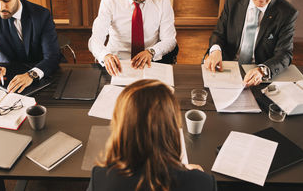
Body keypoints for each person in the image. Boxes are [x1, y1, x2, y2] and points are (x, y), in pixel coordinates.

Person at [87, 79, 217, 191]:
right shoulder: (203, 183)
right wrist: (190, 174)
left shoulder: (101, 179)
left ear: (121, 126)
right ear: (172, 127)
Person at [203, 0, 298, 87]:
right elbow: (219, 34)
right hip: (228, 65)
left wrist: (262, 70)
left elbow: (284, 54)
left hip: (258, 73)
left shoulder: (287, 13)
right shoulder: (232, 2)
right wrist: (215, 50)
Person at [88, 0, 177, 76]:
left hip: (150, 61)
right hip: (118, 63)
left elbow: (170, 40)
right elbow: (95, 40)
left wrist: (152, 52)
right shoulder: (110, 1)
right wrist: (105, 56)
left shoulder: (162, 0)